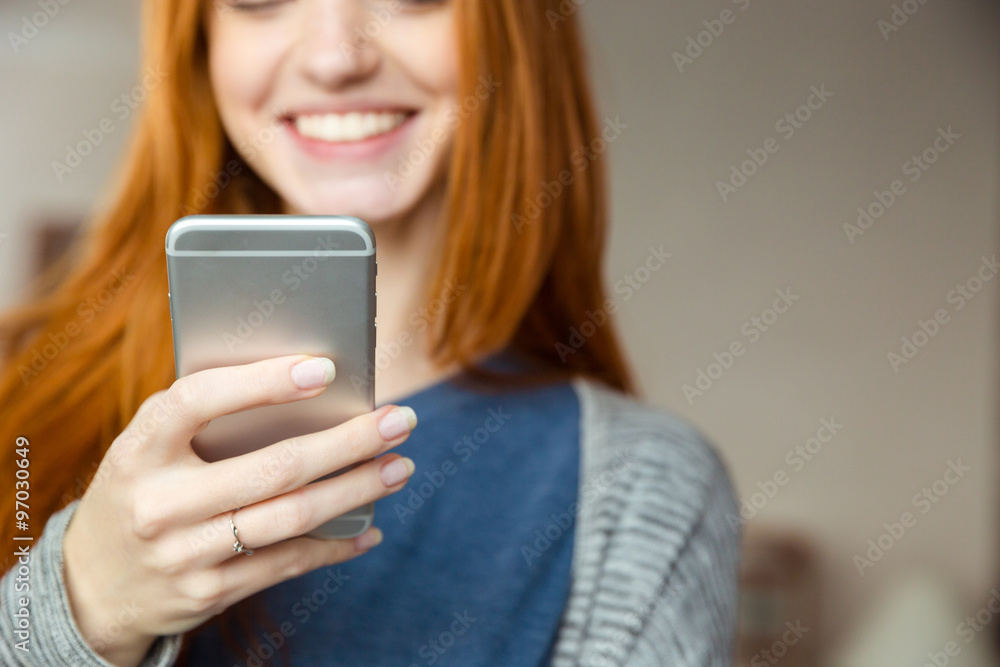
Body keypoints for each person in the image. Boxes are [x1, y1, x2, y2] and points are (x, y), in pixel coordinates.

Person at [0, 0, 740, 665]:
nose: (335, 57)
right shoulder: (18, 382)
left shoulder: (639, 487)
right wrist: (79, 610)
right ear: (199, 40)